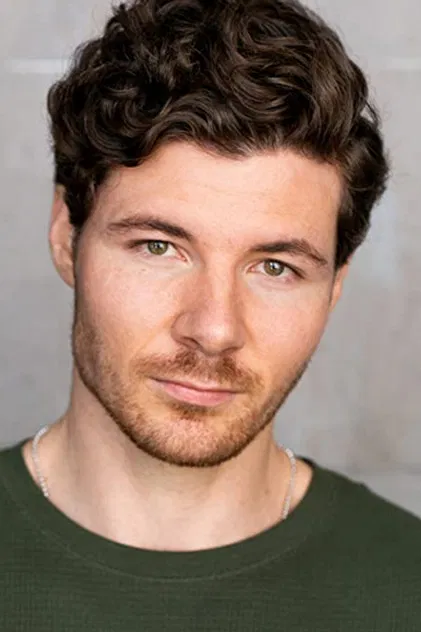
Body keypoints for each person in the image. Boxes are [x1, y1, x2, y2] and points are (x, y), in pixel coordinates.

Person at [1, 0, 420, 629]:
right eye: (158, 247)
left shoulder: (406, 588)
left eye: (275, 267)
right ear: (67, 236)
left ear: (335, 286)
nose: (215, 329)